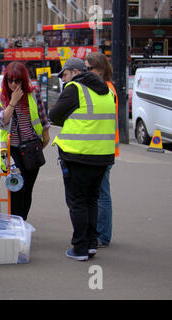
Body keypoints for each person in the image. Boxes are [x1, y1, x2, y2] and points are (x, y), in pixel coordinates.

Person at [48, 57, 116, 261]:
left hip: (77, 154)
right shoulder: (108, 91)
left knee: (77, 202)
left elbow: (54, 115)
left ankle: (79, 248)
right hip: (102, 155)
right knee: (92, 200)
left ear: (76, 72)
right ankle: (91, 244)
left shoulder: (75, 89)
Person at [0, 62, 50, 221]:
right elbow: (1, 120)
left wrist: (44, 138)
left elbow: (43, 118)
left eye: (17, 81)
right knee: (16, 188)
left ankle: (21, 223)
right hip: (11, 150)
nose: (13, 84)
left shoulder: (33, 93)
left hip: (31, 147)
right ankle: (16, 227)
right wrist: (13, 102)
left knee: (27, 190)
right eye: (10, 80)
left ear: (23, 80)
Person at [84, 52, 119, 248]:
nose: (86, 73)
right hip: (102, 148)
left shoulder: (106, 90)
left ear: (100, 69)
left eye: (89, 69)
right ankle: (100, 233)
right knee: (98, 193)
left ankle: (103, 235)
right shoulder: (106, 88)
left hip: (103, 149)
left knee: (101, 194)